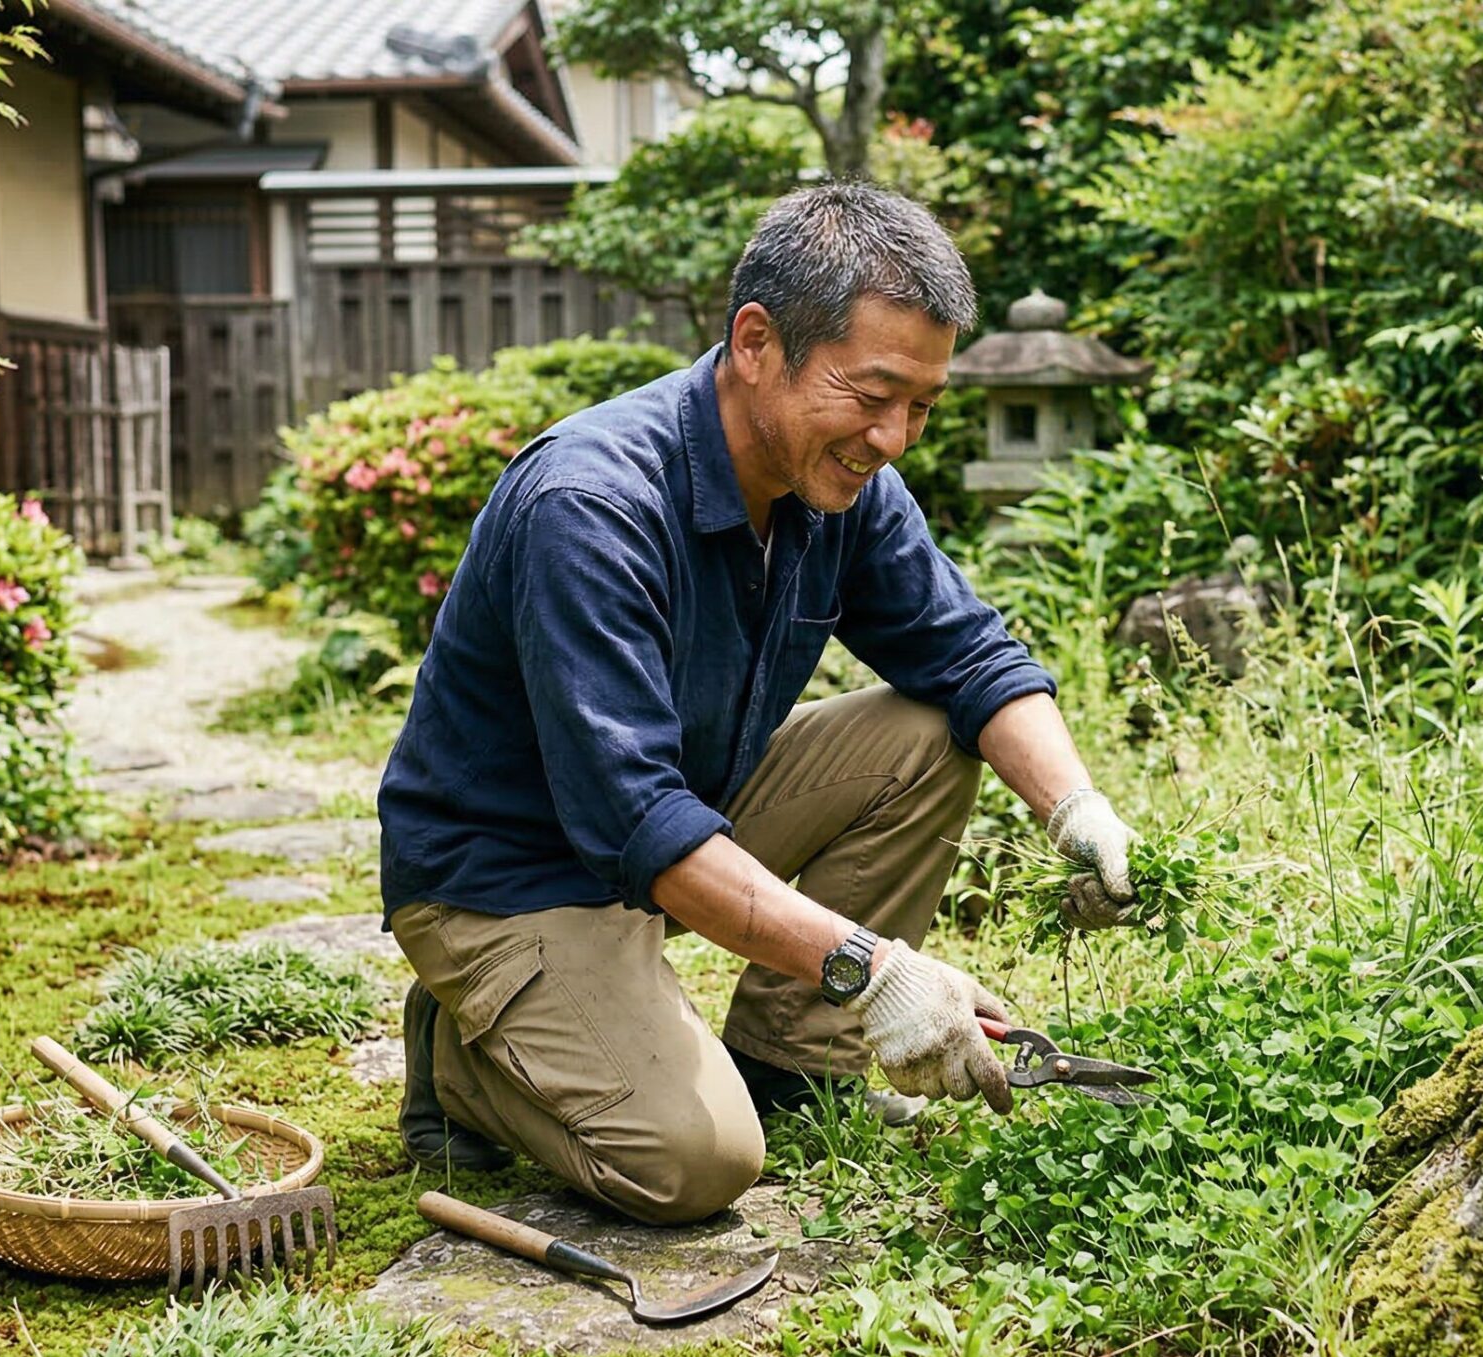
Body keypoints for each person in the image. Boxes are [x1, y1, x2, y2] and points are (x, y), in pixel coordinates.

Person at [377, 181, 1139, 1226]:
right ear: (755, 342)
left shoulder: (838, 484)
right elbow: (635, 819)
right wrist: (876, 972)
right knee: (694, 1165)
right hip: (509, 876)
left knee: (926, 733)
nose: (894, 437)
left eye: (921, 405)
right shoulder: (592, 504)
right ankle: (462, 1059)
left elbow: (969, 655)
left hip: (677, 818)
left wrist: (1077, 809)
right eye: (871, 395)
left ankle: (788, 1067)